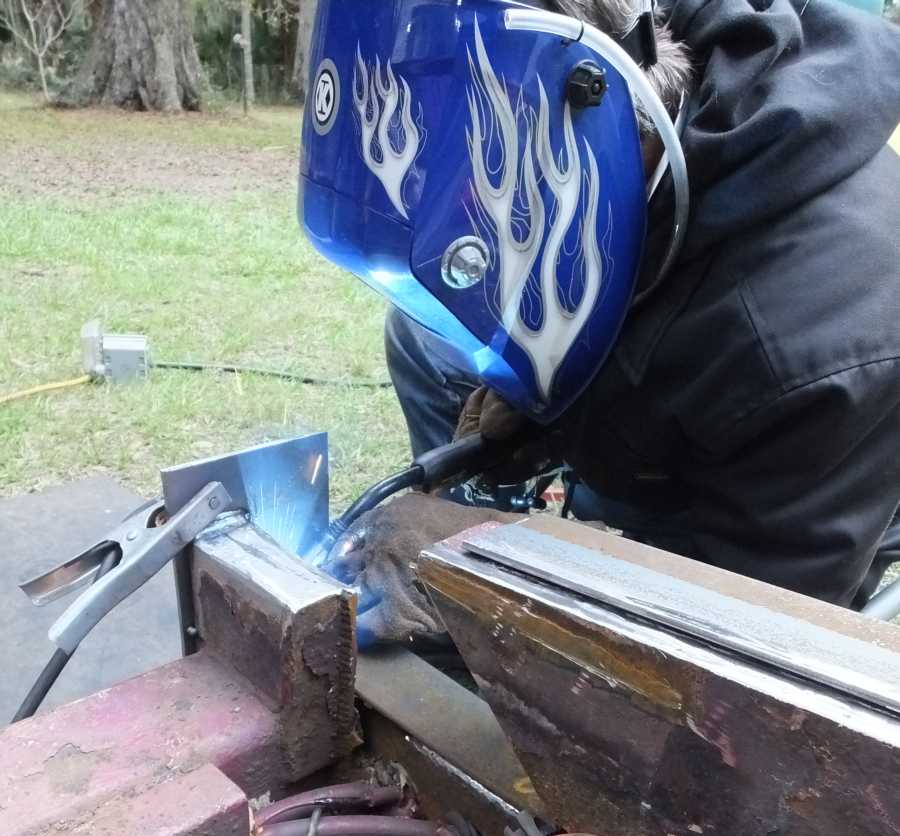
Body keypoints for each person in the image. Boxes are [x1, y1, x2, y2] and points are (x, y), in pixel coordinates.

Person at [309, 0, 900, 643]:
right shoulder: (630, 57)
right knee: (422, 340)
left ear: (574, 131)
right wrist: (532, 399)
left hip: (778, 488)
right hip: (671, 385)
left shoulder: (815, 351)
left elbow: (744, 648)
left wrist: (493, 559)